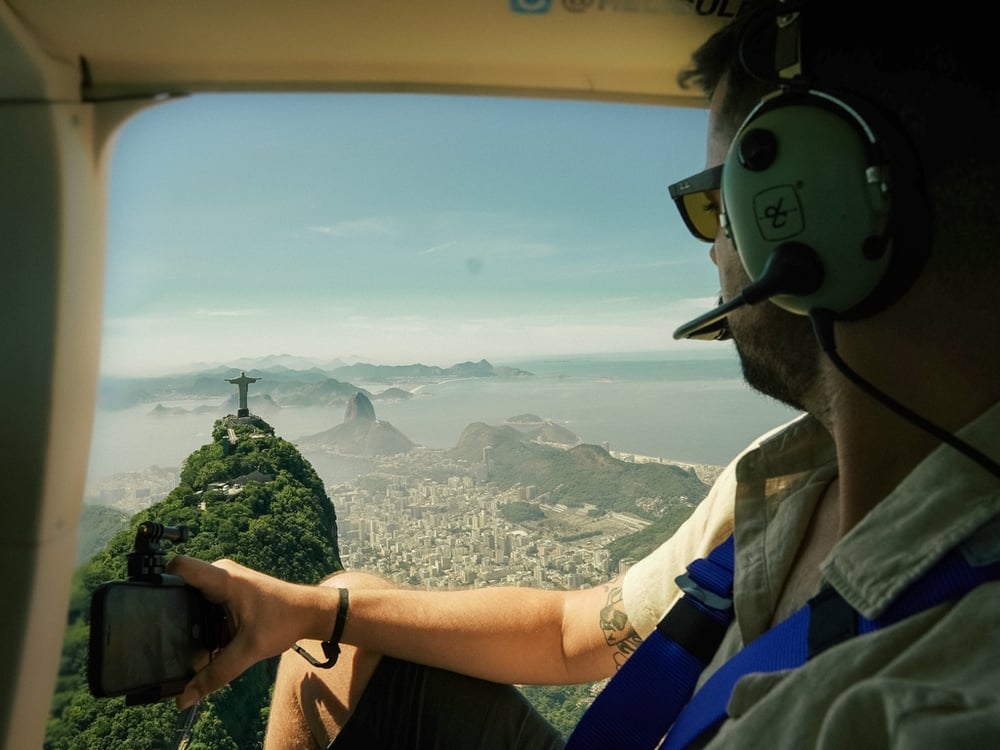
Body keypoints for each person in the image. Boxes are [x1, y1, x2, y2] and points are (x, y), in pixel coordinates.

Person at [169, 1, 1000, 747]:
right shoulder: (779, 481)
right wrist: (311, 609)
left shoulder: (933, 701)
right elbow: (578, 633)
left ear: (804, 209)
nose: (711, 250)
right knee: (331, 645)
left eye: (716, 204)